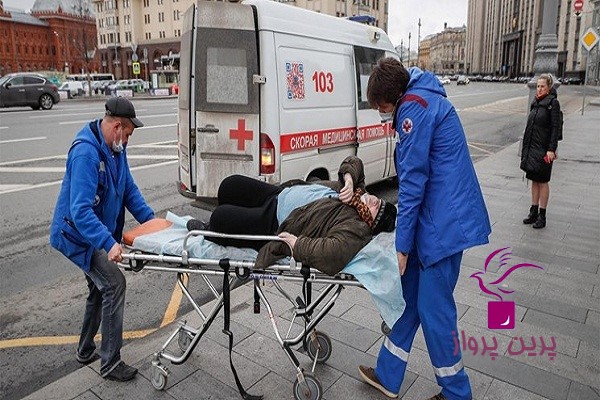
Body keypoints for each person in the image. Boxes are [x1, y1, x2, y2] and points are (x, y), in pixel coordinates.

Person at [358, 58, 491, 400]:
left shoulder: (413, 110)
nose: (381, 114)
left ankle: (456, 393)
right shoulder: (419, 98)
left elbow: (412, 184)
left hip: (443, 227)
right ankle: (388, 375)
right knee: (409, 301)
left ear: (394, 97)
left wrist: (402, 247)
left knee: (434, 311)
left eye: (381, 107)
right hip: (435, 220)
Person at [50, 97, 155, 382]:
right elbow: (80, 211)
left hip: (93, 232)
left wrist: (152, 223)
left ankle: (85, 350)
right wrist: (109, 243)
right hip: (77, 236)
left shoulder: (116, 149)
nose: (128, 141)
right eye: (128, 134)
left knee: (99, 289)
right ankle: (110, 362)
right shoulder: (86, 154)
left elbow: (128, 189)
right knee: (114, 284)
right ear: (117, 127)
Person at [187, 156, 397, 275]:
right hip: (279, 194)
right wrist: (349, 180)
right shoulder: (356, 194)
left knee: (221, 218)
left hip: (275, 221)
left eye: (376, 208)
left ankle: (208, 230)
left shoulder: (356, 229)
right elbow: (354, 162)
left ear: (370, 222)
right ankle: (236, 216)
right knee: (229, 185)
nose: (373, 200)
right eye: (378, 201)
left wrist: (297, 245)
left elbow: (331, 254)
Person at [520, 73, 561, 229]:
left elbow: (555, 128)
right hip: (533, 148)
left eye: (542, 86)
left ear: (549, 88)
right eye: (537, 86)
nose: (539, 89)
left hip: (544, 150)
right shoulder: (535, 103)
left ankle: (542, 215)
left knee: (543, 181)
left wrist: (551, 149)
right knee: (534, 180)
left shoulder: (553, 103)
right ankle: (533, 211)